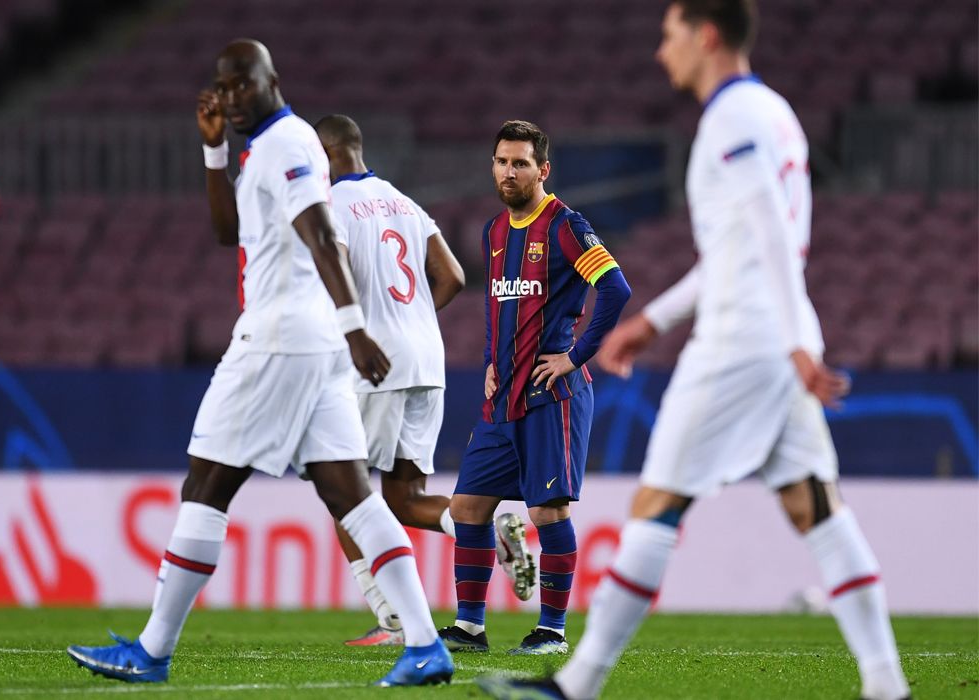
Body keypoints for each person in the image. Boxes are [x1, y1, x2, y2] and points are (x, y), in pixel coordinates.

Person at [476, 2, 910, 699]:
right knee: (815, 508)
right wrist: (655, 320)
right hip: (772, 336)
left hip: (742, 343)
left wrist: (795, 339)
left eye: (670, 33)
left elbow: (768, 228)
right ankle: (888, 685)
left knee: (655, 505)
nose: (661, 50)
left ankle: (576, 685)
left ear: (707, 36)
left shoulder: (730, 120)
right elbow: (740, 247)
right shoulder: (775, 113)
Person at [65, 39, 453, 688]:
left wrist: (358, 326)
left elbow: (323, 234)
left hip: (279, 340)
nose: (232, 96)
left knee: (206, 485)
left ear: (272, 79)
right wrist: (213, 149)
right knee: (352, 495)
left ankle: (153, 650)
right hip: (314, 346)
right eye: (223, 87)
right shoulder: (262, 148)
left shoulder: (290, 143)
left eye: (243, 85)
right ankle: (425, 644)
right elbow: (228, 233)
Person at [314, 114, 538, 647]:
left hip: (374, 363)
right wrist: (410, 317)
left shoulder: (333, 206)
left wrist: (360, 329)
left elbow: (337, 273)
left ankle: (389, 615)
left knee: (345, 493)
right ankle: (484, 534)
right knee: (404, 497)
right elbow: (455, 275)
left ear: (325, 156)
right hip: (425, 361)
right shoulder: (402, 201)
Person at [436, 120, 631, 656]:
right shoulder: (493, 232)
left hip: (552, 398)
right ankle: (470, 627)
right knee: (467, 507)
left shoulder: (566, 226)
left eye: (520, 163)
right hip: (504, 398)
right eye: (501, 161)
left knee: (548, 514)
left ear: (542, 170)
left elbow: (615, 289)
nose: (509, 171)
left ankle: (551, 630)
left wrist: (574, 357)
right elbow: (496, 305)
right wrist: (489, 364)